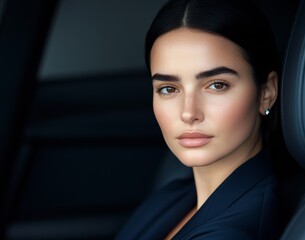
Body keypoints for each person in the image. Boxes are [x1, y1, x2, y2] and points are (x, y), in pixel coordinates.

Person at [116, 0, 283, 239]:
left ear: (266, 93)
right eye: (168, 89)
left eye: (216, 85)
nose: (188, 112)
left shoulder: (234, 231)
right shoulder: (173, 196)